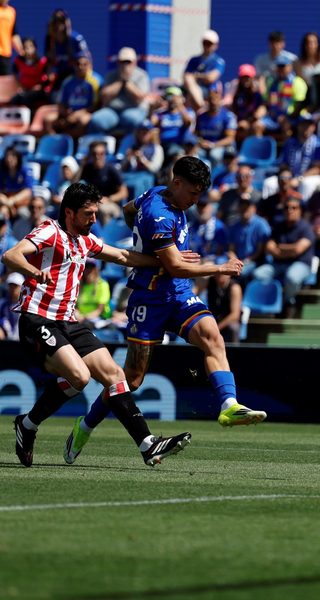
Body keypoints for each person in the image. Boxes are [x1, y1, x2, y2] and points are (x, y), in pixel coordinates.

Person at [65, 158, 265, 466]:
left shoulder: (154, 193)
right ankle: (86, 426)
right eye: (193, 193)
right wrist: (219, 267)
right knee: (130, 380)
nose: (195, 201)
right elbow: (173, 265)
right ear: (177, 183)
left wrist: (144, 241)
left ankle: (228, 405)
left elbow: (128, 210)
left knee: (213, 337)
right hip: (150, 299)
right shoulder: (160, 214)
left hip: (179, 294)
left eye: (200, 195)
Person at [1, 182, 193, 467]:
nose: (94, 219)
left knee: (115, 375)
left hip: (67, 322)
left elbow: (121, 256)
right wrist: (33, 271)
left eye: (95, 213)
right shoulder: (49, 230)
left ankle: (147, 445)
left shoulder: (85, 241)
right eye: (88, 214)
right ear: (69, 212)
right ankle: (28, 425)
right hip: (37, 319)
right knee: (79, 377)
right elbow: (11, 255)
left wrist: (166, 262)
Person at [261, 195, 315, 317]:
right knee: (259, 274)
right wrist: (290, 249)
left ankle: (287, 303)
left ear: (300, 210)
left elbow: (298, 250)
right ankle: (269, 302)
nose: (289, 210)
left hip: (301, 264)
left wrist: (280, 248)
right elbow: (269, 247)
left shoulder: (306, 228)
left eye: (294, 208)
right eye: (286, 207)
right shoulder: (278, 226)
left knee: (292, 277)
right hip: (279, 263)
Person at [88, 47, 150, 135]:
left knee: (130, 119)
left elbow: (139, 98)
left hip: (135, 109)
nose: (125, 65)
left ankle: (129, 146)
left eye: (128, 62)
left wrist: (127, 82)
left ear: (135, 62)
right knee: (96, 120)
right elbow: (104, 96)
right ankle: (98, 146)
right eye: (122, 62)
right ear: (117, 62)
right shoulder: (111, 75)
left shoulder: (142, 75)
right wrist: (120, 81)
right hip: (113, 111)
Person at [44, 52, 102, 137]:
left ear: (89, 65)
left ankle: (71, 142)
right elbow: (61, 103)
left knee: (83, 121)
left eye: (84, 64)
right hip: (68, 113)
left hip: (86, 113)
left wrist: (79, 114)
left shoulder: (96, 81)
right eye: (78, 64)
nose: (80, 67)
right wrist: (65, 113)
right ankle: (55, 143)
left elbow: (97, 105)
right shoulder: (68, 81)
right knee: (48, 120)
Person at [78, 141, 128, 224]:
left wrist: (108, 199)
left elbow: (124, 192)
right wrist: (82, 165)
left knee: (102, 209)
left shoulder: (111, 170)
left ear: (105, 154)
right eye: (94, 154)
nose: (97, 156)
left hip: (110, 204)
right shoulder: (87, 168)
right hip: (93, 203)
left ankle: (106, 236)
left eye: (101, 153)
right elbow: (73, 183)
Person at [227, 195, 271, 282]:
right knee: (220, 268)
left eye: (247, 206)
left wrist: (246, 261)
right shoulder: (234, 226)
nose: (244, 208)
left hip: (256, 261)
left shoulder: (261, 224)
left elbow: (260, 251)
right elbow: (231, 249)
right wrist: (234, 260)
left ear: (253, 208)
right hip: (239, 260)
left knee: (242, 272)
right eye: (242, 205)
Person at [43, 8, 89, 92]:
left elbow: (86, 59)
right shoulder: (50, 40)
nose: (59, 25)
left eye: (61, 21)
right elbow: (49, 63)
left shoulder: (75, 39)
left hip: (76, 76)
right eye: (56, 22)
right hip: (59, 76)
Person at [119, 120, 164, 201]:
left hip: (146, 176)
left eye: (146, 132)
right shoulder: (132, 147)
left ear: (150, 134)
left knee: (138, 184)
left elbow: (155, 169)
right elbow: (122, 168)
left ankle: (137, 209)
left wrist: (142, 159)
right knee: (120, 182)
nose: (143, 135)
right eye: (141, 132)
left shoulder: (157, 148)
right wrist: (128, 159)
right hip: (130, 175)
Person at [183, 29, 225, 111]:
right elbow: (186, 77)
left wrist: (195, 76)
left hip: (210, 90)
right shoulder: (194, 60)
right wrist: (201, 77)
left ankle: (201, 107)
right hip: (193, 90)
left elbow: (211, 78)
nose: (207, 46)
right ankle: (201, 107)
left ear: (216, 45)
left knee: (190, 96)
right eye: (205, 43)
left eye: (210, 44)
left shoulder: (218, 61)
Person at [195, 88, 237, 168]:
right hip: (204, 146)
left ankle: (214, 178)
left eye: (216, 99)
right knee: (194, 156)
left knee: (214, 155)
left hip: (220, 146)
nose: (213, 102)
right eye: (211, 99)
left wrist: (213, 145)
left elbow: (230, 138)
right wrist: (201, 142)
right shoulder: (201, 116)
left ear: (220, 100)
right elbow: (197, 135)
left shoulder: (228, 116)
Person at [152, 86, 196, 159]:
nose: (171, 99)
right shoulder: (161, 113)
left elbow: (188, 123)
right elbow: (150, 123)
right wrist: (153, 107)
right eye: (169, 96)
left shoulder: (188, 112)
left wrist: (179, 105)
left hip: (181, 144)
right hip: (164, 144)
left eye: (173, 96)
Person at [12, 37, 50, 110]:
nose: (28, 49)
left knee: (26, 99)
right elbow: (14, 75)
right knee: (15, 100)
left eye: (30, 46)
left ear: (35, 48)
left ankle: (32, 118)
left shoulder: (42, 62)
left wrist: (39, 86)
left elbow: (48, 79)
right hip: (25, 90)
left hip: (39, 90)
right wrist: (20, 86)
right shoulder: (18, 61)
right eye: (25, 47)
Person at [206, 266, 242, 343]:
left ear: (229, 274)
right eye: (218, 273)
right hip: (215, 319)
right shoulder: (211, 284)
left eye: (223, 273)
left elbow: (235, 315)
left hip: (227, 321)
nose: (220, 275)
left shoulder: (234, 288)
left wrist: (218, 327)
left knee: (233, 327)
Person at [75, 259, 111, 325]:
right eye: (86, 267)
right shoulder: (79, 285)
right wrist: (77, 314)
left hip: (98, 318)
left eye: (91, 267)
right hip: (80, 318)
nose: (88, 270)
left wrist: (84, 317)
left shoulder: (102, 284)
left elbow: (99, 310)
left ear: (96, 269)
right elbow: (75, 306)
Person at [0, 147, 32, 220]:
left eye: (12, 156)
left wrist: (12, 200)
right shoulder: (1, 172)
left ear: (18, 158)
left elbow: (28, 192)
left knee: (23, 214)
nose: (9, 159)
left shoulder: (24, 171)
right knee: (3, 212)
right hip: (5, 202)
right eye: (7, 156)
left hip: (21, 203)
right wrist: (5, 201)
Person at [0, 269, 23, 340]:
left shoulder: (27, 305)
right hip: (6, 339)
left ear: (21, 287)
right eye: (11, 286)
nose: (13, 289)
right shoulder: (2, 303)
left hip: (22, 340)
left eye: (15, 286)